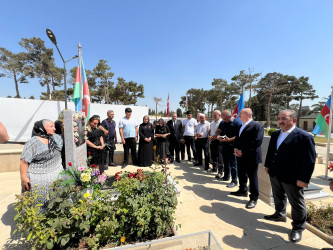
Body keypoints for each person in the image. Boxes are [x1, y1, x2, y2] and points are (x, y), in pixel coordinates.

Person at [264, 110, 316, 243]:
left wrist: (304, 179)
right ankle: (279, 214)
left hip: (292, 177)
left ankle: (298, 228)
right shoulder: (276, 133)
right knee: (278, 196)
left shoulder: (304, 136)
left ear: (294, 120)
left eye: (284, 118)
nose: (280, 121)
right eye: (279, 118)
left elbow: (309, 160)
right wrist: (267, 165)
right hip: (275, 173)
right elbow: (271, 151)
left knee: (296, 203)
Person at [20, 120, 64, 202]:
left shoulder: (56, 138)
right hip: (38, 178)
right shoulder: (33, 142)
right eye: (51, 126)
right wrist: (23, 178)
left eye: (54, 126)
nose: (54, 129)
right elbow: (24, 161)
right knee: (37, 204)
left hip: (56, 175)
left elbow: (65, 137)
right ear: (42, 128)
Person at [230, 108, 264, 209]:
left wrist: (243, 151)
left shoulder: (257, 126)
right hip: (240, 155)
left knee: (252, 177)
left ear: (248, 115)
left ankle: (253, 198)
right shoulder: (241, 125)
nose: (239, 115)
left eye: (241, 114)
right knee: (241, 173)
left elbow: (257, 141)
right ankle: (242, 190)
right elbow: (238, 139)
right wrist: (236, 148)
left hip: (251, 156)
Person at [216, 110, 242, 188]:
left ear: (230, 116)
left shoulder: (237, 123)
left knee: (233, 164)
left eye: (225, 119)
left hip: (233, 146)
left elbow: (239, 136)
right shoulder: (222, 122)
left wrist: (229, 139)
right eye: (223, 119)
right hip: (224, 145)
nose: (224, 121)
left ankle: (234, 181)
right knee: (226, 162)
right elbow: (218, 131)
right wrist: (218, 136)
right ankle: (226, 176)